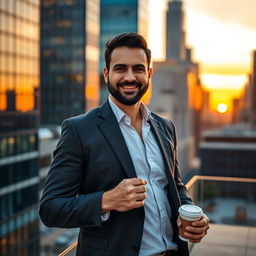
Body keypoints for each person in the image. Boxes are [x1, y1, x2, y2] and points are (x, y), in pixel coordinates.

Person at [39, 33, 209, 256]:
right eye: (120, 69)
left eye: (138, 69)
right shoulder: (79, 130)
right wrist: (106, 200)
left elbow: (174, 186)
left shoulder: (165, 126)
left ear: (149, 73)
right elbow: (51, 209)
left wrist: (191, 215)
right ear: (106, 74)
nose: (130, 77)